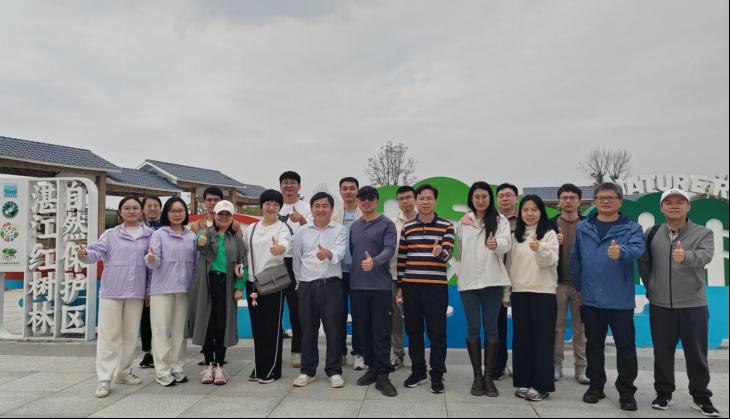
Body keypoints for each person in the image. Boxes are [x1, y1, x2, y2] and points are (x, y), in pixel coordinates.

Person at [638, 189, 719, 417]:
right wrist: (651, 285)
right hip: (660, 304)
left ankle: (701, 396)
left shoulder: (703, 233)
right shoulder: (651, 233)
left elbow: (706, 256)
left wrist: (686, 257)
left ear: (688, 207)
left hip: (693, 304)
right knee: (662, 352)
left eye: (680, 202)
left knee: (697, 354)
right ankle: (663, 393)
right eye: (669, 202)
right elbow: (644, 262)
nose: (674, 206)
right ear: (661, 208)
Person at [570, 182, 645, 412]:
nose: (606, 201)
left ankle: (626, 392)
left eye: (611, 197)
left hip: (620, 300)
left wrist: (621, 252)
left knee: (625, 347)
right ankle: (596, 386)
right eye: (601, 197)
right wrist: (580, 287)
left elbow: (638, 249)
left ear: (619, 201)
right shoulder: (583, 227)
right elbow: (575, 259)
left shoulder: (631, 227)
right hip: (591, 299)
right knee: (593, 345)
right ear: (594, 201)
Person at [78, 197, 153, 398]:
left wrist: (148, 291)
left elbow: (151, 268)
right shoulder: (110, 234)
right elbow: (95, 253)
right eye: (127, 208)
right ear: (120, 212)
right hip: (112, 291)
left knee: (130, 335)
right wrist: (84, 254)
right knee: (108, 336)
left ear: (141, 211)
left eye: (135, 208)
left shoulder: (150, 235)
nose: (131, 211)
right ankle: (104, 379)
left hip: (136, 292)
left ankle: (123, 372)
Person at [396, 184, 455, 394]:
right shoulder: (408, 227)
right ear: (416, 201)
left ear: (435, 201)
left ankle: (437, 375)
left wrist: (440, 252)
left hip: (435, 287)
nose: (425, 202)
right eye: (421, 198)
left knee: (437, 333)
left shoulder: (447, 226)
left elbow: (448, 254)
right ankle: (418, 371)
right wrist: (400, 287)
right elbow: (402, 259)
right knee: (413, 331)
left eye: (429, 198)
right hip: (411, 287)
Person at [456, 182, 512, 397]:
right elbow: (460, 250)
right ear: (471, 199)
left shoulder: (500, 220)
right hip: (468, 283)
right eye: (477, 197)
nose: (481, 200)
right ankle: (477, 376)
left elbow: (506, 244)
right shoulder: (463, 222)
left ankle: (489, 377)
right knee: (472, 328)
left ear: (490, 198)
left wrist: (495, 244)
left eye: (484, 196)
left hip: (492, 281)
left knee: (491, 329)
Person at [291, 192, 348, 388]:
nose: (321, 209)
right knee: (308, 330)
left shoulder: (340, 230)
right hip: (307, 285)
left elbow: (340, 251)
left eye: (325, 206)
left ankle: (334, 371)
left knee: (334, 330)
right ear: (312, 208)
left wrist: (329, 253)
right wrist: (300, 284)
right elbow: (296, 260)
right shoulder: (301, 231)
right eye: (317, 205)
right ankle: (308, 370)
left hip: (331, 285)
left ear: (332, 209)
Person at [187, 200, 246, 386]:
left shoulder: (236, 239)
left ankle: (220, 365)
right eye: (220, 214)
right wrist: (200, 240)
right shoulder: (206, 232)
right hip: (207, 283)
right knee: (207, 324)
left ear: (232, 217)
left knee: (222, 325)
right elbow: (200, 243)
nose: (224, 217)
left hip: (226, 285)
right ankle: (208, 365)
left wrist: (239, 286)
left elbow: (242, 263)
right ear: (214, 215)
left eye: (228, 214)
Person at [507, 195, 559, 402]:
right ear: (520, 213)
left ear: (541, 212)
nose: (529, 214)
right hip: (520, 292)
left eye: (534, 210)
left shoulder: (549, 234)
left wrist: (540, 248)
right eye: (525, 210)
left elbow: (550, 262)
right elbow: (509, 266)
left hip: (544, 293)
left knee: (543, 340)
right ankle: (523, 380)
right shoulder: (515, 237)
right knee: (522, 339)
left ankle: (541, 385)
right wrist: (506, 292)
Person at [237, 190, 292, 384]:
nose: (271, 207)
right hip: (252, 282)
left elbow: (285, 243)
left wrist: (280, 248)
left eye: (275, 204)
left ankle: (272, 369)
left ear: (279, 208)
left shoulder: (282, 227)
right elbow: (243, 250)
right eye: (267, 203)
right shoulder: (252, 228)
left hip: (272, 282)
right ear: (261, 206)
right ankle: (260, 366)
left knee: (272, 327)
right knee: (258, 327)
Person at [348, 186, 398, 397]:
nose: (366, 202)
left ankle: (384, 375)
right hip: (357, 286)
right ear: (358, 201)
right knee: (364, 331)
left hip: (380, 287)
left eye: (370, 198)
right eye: (362, 198)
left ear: (377, 201)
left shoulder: (387, 224)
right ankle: (372, 368)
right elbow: (353, 251)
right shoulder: (354, 226)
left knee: (381, 332)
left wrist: (374, 261)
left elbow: (389, 249)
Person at [145, 197, 196, 387]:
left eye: (180, 210)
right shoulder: (159, 234)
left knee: (179, 332)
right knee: (160, 331)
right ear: (166, 213)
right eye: (173, 211)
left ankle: (177, 367)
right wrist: (151, 259)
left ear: (185, 213)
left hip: (184, 290)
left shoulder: (191, 236)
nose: (177, 214)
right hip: (162, 290)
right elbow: (153, 261)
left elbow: (196, 265)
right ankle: (162, 371)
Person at [550, 184, 589, 384]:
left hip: (581, 284)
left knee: (580, 328)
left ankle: (581, 366)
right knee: (556, 327)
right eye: (564, 197)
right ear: (558, 201)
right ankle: (556, 364)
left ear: (579, 202)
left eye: (572, 197)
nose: (568, 201)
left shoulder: (588, 224)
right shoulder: (549, 224)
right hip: (556, 283)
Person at [279, 171, 312, 369]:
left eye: (292, 182)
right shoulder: (274, 205)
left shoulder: (306, 208)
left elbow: (314, 231)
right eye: (285, 182)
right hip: (276, 262)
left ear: (299, 186)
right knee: (274, 309)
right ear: (280, 186)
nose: (289, 185)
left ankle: (297, 350)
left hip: (298, 262)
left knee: (296, 310)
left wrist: (302, 220)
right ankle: (273, 351)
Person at [332, 177, 365, 370]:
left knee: (359, 314)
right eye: (344, 188)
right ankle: (340, 352)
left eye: (352, 188)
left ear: (357, 191)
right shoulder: (333, 213)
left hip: (359, 272)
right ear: (340, 191)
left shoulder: (365, 213)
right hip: (337, 272)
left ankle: (359, 353)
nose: (348, 191)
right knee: (338, 315)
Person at [387, 186, 416, 370]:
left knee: (415, 318)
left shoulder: (423, 220)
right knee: (395, 319)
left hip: (417, 277)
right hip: (394, 276)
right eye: (401, 199)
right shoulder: (391, 223)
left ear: (415, 199)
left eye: (408, 197)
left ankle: (417, 358)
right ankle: (398, 354)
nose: (405, 201)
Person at [494, 183, 520, 380]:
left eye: (509, 195)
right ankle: (498, 366)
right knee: (498, 326)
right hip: (497, 279)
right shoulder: (492, 220)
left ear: (516, 198)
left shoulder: (526, 219)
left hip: (521, 278)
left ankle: (521, 366)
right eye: (501, 195)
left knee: (522, 326)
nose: (505, 199)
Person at [139, 195, 162, 370]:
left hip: (160, 279)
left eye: (156, 206)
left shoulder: (166, 229)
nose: (152, 209)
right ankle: (148, 352)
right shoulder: (138, 229)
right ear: (143, 209)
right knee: (145, 318)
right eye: (149, 206)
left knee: (160, 319)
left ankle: (161, 352)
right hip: (140, 279)